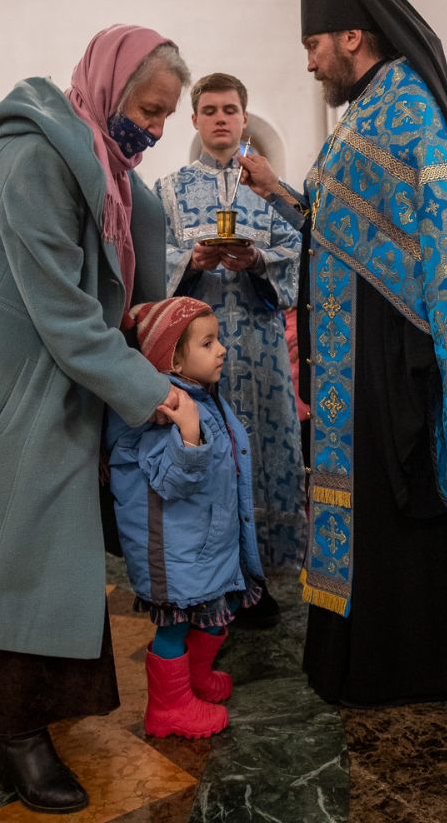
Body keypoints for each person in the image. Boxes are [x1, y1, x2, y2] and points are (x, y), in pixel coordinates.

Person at [239, 0, 447, 708]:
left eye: (313, 45)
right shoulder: (367, 109)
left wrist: (425, 351)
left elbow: (432, 244)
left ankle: (402, 666)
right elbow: (338, 223)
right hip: (351, 349)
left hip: (389, 350)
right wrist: (279, 193)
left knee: (390, 505)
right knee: (357, 502)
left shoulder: (408, 109)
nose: (309, 63)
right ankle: (352, 661)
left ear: (352, 36)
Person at [0, 25, 191, 813]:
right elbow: (66, 312)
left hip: (56, 378)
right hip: (9, 381)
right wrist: (152, 392)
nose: (155, 130)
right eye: (149, 110)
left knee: (52, 551)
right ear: (108, 88)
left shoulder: (109, 171)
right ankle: (14, 738)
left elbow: (123, 286)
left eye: (165, 115)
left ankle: (48, 709)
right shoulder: (35, 158)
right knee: (17, 552)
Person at [154, 72, 304, 611]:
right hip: (193, 358)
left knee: (264, 454)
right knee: (205, 456)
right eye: (211, 110)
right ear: (195, 119)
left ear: (244, 118)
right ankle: (209, 580)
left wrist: (259, 259)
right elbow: (151, 262)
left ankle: (261, 579)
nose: (221, 118)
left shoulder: (269, 189)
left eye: (230, 110)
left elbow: (299, 253)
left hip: (262, 350)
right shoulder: (168, 190)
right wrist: (190, 262)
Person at [106, 296, 264, 738]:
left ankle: (194, 679)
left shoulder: (199, 396)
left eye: (219, 340)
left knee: (223, 606)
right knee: (174, 627)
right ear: (173, 360)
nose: (222, 350)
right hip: (173, 551)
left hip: (204, 542)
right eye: (207, 343)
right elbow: (169, 482)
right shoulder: (162, 410)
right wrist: (189, 433)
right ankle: (168, 707)